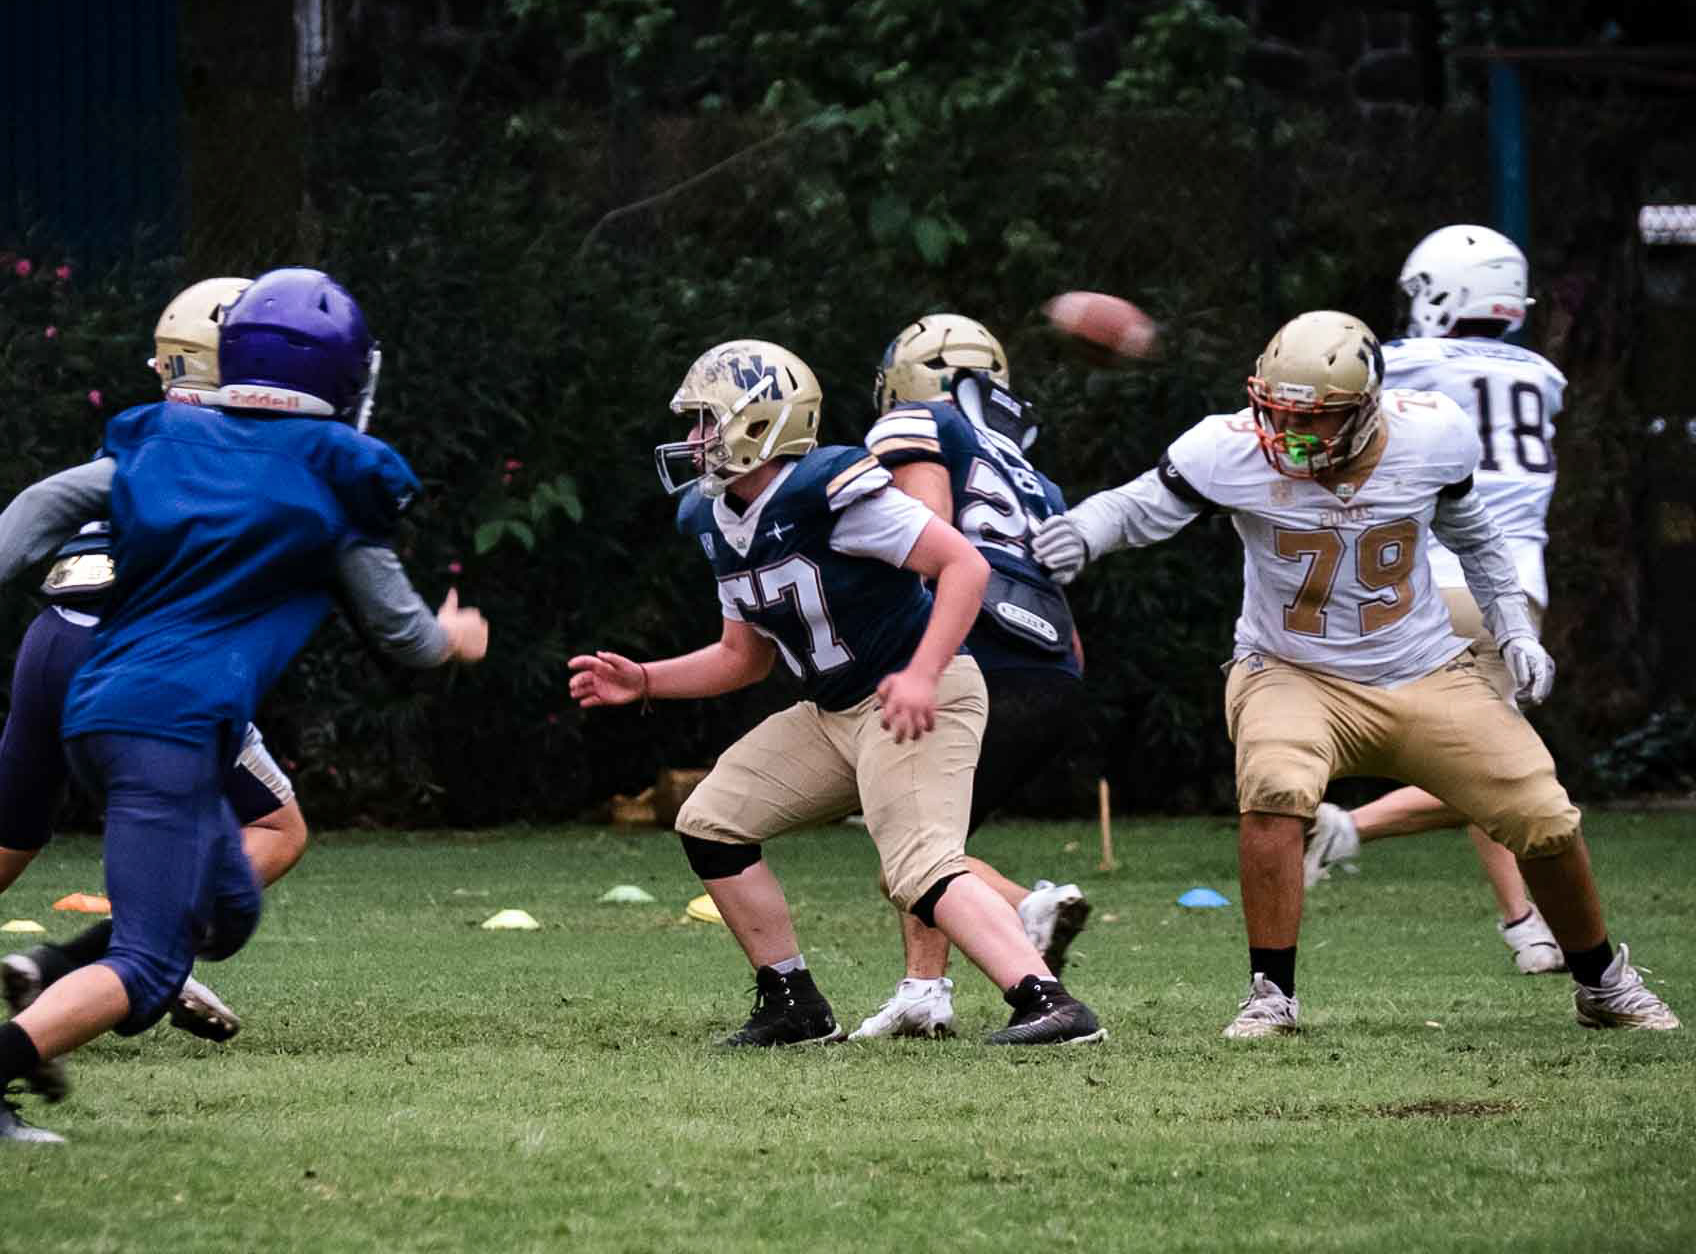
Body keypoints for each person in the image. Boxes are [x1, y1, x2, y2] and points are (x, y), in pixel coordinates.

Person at [0, 267, 489, 1140]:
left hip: (105, 713)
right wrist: (457, 637)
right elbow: (408, 640)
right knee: (148, 961)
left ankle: (58, 978)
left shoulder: (168, 438)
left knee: (230, 907)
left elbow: (45, 502)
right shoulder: (333, 476)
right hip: (166, 730)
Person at [1030, 309, 1677, 1037]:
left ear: (1367, 408)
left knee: (1543, 814)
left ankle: (1602, 983)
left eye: (1314, 418)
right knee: (1276, 785)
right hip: (1290, 669)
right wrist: (1084, 530)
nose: (1287, 432)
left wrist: (1515, 629)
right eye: (1277, 411)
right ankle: (1271, 994)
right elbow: (1140, 505)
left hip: (1424, 667)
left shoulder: (1430, 437)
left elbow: (1477, 540)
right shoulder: (1229, 447)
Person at [0, 280, 303, 1072]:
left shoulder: (151, 437)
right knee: (277, 829)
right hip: (135, 664)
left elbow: (42, 503)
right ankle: (121, 958)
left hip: (53, 642)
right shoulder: (243, 449)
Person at [568, 339, 1104, 1048]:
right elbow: (741, 658)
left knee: (918, 864)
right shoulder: (714, 520)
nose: (693, 438)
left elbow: (964, 566)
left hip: (919, 691)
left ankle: (1050, 1003)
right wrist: (645, 680)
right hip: (835, 712)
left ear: (759, 422)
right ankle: (793, 1003)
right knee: (712, 821)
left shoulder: (830, 490)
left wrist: (921, 673)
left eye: (706, 420)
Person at [1303, 226, 1567, 975]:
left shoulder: (1409, 361)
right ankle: (1526, 924)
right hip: (1508, 587)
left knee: (1494, 760)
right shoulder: (1544, 375)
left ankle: (1524, 923)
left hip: (1431, 579)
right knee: (1501, 762)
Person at [849, 314, 1090, 1039]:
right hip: (1056, 669)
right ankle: (925, 989)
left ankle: (1023, 912)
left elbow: (926, 535)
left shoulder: (919, 422)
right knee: (924, 842)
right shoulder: (1031, 473)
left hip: (975, 652)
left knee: (915, 849)